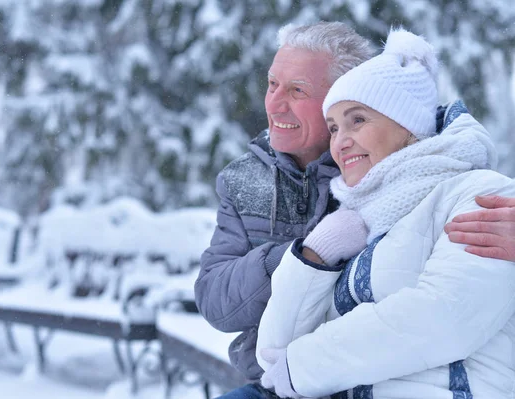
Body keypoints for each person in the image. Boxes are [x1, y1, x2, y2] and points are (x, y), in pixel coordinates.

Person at [195, 21, 515, 399]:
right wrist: (311, 253)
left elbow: (445, 318)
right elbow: (230, 311)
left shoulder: (458, 190)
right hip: (290, 383)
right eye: (271, 84)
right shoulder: (354, 195)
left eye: (298, 90)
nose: (274, 103)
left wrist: (302, 366)